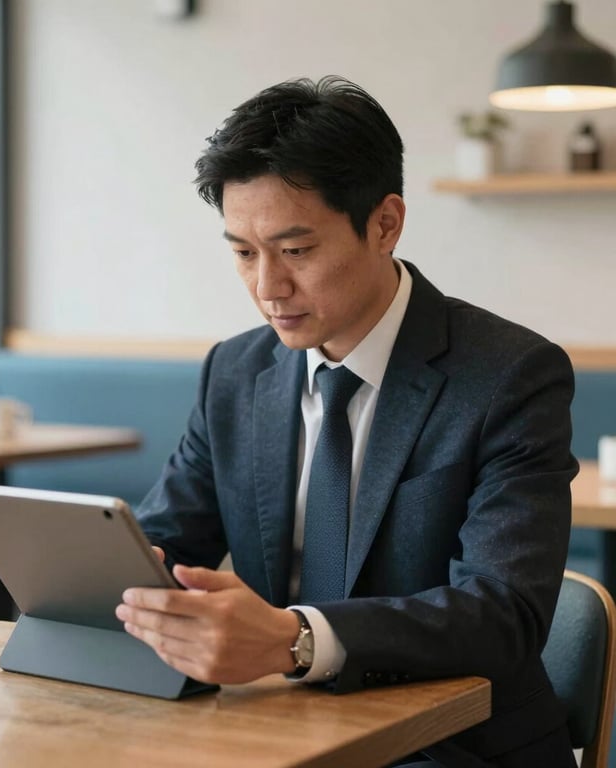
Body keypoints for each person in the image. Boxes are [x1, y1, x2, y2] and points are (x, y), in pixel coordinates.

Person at [116, 77, 579, 768]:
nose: (268, 287)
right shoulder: (234, 374)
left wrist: (294, 640)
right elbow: (165, 541)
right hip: (270, 735)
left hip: (450, 746)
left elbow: (503, 612)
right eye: (243, 252)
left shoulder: (510, 375)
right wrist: (127, 577)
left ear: (385, 222)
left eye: (296, 251)